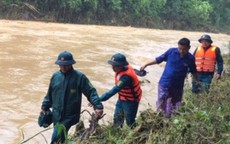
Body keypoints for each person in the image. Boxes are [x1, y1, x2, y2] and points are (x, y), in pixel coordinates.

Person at [40, 51, 103, 143]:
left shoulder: (79, 77)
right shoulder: (55, 76)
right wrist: (44, 107)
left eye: (66, 65)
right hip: (56, 114)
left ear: (71, 64)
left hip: (70, 115)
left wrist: (98, 106)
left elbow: (91, 92)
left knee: (55, 139)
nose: (63, 67)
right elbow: (49, 94)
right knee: (61, 138)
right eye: (61, 65)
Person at [140, 38, 199, 117]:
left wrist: (198, 81)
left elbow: (193, 71)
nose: (181, 51)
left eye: (184, 49)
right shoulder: (171, 52)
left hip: (178, 86)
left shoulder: (191, 58)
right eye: (180, 48)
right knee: (162, 101)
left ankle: (169, 119)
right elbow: (158, 60)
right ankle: (160, 118)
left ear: (189, 48)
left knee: (175, 104)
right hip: (165, 83)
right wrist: (146, 64)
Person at [99, 53, 142, 128]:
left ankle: (136, 133)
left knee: (130, 121)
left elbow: (113, 91)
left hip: (131, 101)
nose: (113, 67)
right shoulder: (125, 68)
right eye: (112, 65)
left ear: (121, 65)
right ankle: (117, 132)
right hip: (122, 98)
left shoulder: (126, 78)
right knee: (117, 118)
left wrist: (99, 99)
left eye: (115, 66)